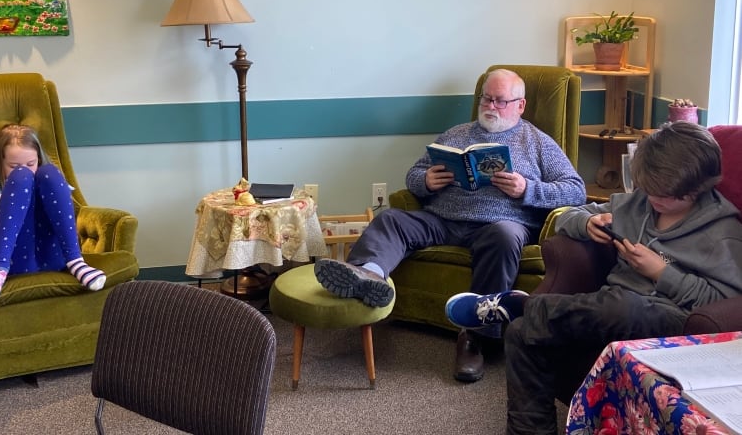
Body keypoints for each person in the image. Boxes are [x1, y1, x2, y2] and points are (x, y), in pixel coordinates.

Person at [444, 121, 742, 435]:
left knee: (626, 305)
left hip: (669, 321)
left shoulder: (723, 235)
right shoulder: (638, 204)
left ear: (696, 188)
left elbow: (723, 306)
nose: (653, 199)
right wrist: (586, 224)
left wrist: (660, 272)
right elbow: (567, 215)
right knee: (520, 333)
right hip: (605, 311)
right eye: (648, 188)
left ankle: (525, 305)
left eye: (664, 195)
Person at [314, 68, 586, 382]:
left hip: (500, 225)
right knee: (391, 219)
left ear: (520, 105)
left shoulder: (538, 142)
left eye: (500, 101)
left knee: (504, 236)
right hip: (443, 220)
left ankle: (475, 336)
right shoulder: (456, 134)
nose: (491, 106)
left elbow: (575, 189)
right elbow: (414, 176)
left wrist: (527, 189)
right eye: (486, 98)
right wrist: (426, 181)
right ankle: (369, 278)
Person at [0, 124, 106, 306]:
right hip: (16, 262)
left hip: (57, 258)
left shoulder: (50, 185)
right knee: (21, 179)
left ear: (38, 159)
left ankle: (76, 261)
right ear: (0, 163)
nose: (24, 169)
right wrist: (5, 219)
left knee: (50, 173)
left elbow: (67, 226)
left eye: (31, 164)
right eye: (13, 166)